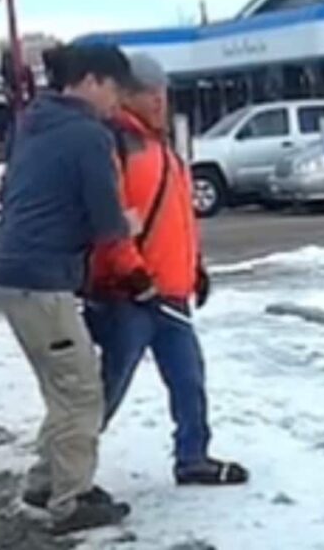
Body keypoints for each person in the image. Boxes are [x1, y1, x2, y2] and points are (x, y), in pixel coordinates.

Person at [0, 43, 142, 535]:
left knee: (62, 387)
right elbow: (105, 222)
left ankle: (47, 479)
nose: (118, 104)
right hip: (45, 279)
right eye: (117, 91)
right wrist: (129, 223)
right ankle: (70, 500)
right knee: (80, 393)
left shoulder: (33, 121)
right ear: (93, 81)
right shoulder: (86, 135)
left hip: (17, 276)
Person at [86, 53, 249, 487]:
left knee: (188, 380)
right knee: (109, 387)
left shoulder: (162, 148)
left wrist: (194, 266)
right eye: (146, 92)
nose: (158, 100)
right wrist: (133, 272)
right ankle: (64, 469)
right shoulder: (115, 144)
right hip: (130, 294)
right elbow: (111, 219)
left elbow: (177, 219)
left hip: (169, 291)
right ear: (125, 95)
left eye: (162, 91)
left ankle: (193, 456)